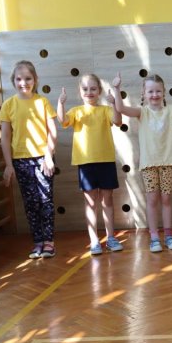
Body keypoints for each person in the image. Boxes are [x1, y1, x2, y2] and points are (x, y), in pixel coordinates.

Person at [112, 72, 172, 252]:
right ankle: (154, 237)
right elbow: (120, 108)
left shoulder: (170, 111)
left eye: (158, 91)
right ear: (144, 93)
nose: (154, 95)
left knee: (166, 199)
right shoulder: (142, 112)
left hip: (167, 162)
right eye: (150, 91)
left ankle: (168, 235)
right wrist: (116, 88)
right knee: (152, 199)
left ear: (164, 92)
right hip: (149, 164)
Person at [57, 74, 123, 255]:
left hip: (106, 162)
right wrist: (61, 104)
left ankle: (111, 238)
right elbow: (63, 120)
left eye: (93, 88)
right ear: (80, 91)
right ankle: (94, 240)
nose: (89, 92)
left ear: (99, 91)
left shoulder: (105, 110)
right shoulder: (76, 111)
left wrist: (113, 103)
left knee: (107, 200)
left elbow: (118, 121)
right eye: (85, 89)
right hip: (86, 163)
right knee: (91, 202)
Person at [0, 60, 58, 259]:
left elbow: (52, 132)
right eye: (19, 79)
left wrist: (48, 156)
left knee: (45, 200)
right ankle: (38, 242)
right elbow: (5, 137)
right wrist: (9, 165)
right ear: (13, 81)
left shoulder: (42, 102)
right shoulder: (8, 105)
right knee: (31, 202)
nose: (23, 82)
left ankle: (49, 242)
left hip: (43, 158)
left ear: (35, 80)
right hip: (21, 161)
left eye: (27, 78)